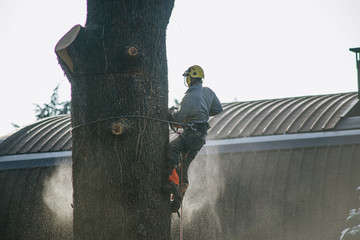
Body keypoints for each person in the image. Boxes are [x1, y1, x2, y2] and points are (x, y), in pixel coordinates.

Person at [161, 65, 223, 213]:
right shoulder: (208, 92)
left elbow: (179, 120)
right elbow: (218, 109)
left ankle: (172, 182)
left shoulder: (188, 97)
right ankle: (178, 198)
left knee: (172, 148)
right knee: (184, 166)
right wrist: (203, 110)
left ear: (191, 77)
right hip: (200, 138)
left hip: (191, 135)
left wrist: (170, 114)